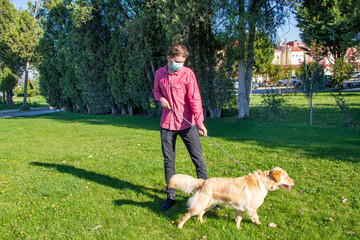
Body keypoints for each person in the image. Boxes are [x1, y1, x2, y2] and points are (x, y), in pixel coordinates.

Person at [153, 44, 208, 211]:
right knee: (168, 161)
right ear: (169, 58)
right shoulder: (159, 74)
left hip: (187, 124)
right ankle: (171, 197)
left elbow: (195, 100)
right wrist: (160, 99)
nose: (180, 65)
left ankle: (206, 196)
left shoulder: (188, 74)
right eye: (177, 61)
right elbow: (156, 91)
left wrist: (199, 123)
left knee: (199, 161)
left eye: (182, 62)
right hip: (167, 124)